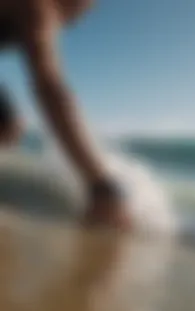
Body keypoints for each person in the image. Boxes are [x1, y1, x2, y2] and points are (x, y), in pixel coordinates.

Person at [0, 0, 130, 229]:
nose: (78, 21)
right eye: (84, 9)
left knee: (8, 126)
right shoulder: (38, 8)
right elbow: (50, 87)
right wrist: (101, 185)